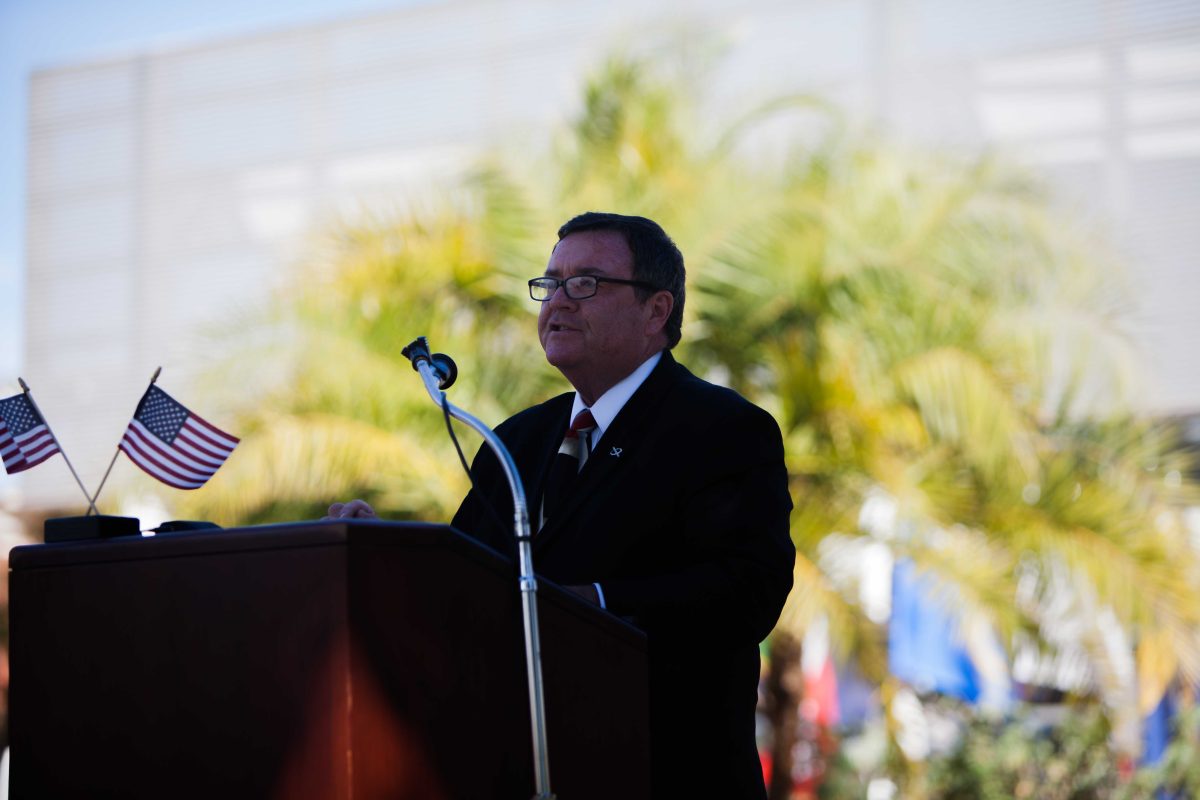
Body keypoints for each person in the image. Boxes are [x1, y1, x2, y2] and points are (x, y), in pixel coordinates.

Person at [329, 212, 794, 797]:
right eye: (551, 284)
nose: (559, 301)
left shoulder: (721, 428)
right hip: (521, 770)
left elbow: (749, 589)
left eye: (588, 282)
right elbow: (467, 580)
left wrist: (592, 604)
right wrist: (390, 552)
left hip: (664, 772)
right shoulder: (518, 438)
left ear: (657, 310)